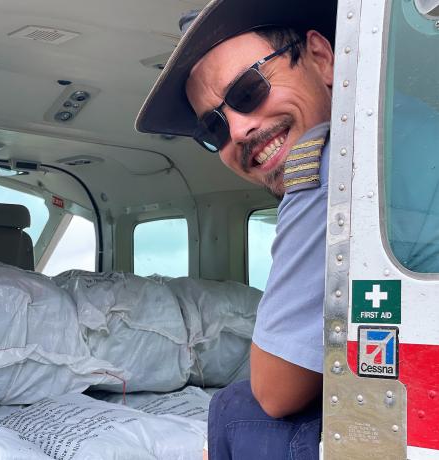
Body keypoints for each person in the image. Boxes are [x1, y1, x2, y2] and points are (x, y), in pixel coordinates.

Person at [136, 0, 338, 458]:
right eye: (214, 127)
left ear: (321, 58)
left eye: (248, 90)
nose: (240, 129)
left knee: (237, 408)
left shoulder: (323, 163)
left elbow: (276, 390)